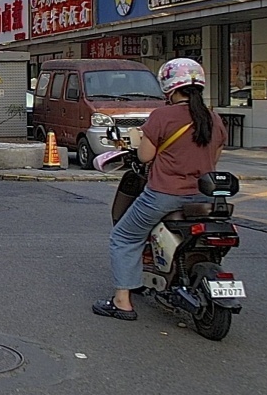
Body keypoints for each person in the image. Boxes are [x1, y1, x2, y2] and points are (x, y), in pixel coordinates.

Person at [96, 58, 227, 321]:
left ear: (168, 86)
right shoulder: (213, 118)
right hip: (203, 198)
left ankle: (122, 302)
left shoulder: (162, 116)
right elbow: (214, 158)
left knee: (124, 237)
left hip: (165, 195)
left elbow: (145, 156)